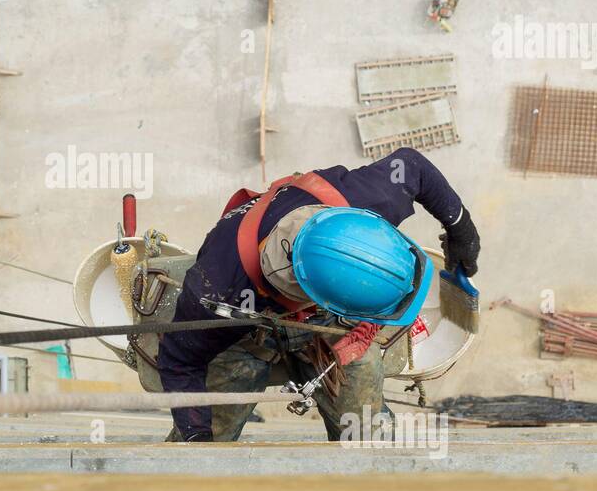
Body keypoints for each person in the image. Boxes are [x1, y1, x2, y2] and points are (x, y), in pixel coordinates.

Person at [156, 147, 479, 442]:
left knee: (369, 440)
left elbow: (412, 164)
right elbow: (179, 360)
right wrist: (195, 435)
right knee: (203, 451)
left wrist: (461, 228)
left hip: (329, 326)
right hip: (242, 332)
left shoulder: (361, 196)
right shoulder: (214, 290)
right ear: (319, 298)